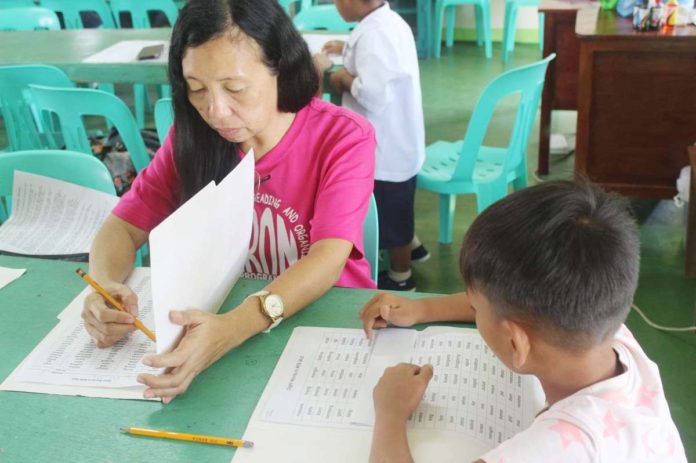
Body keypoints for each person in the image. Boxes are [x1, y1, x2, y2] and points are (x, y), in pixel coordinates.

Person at [81, 0, 376, 403]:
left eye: (235, 89)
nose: (216, 111)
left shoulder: (342, 137)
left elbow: (328, 256)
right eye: (197, 89)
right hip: (224, 328)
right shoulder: (192, 139)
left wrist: (231, 329)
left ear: (282, 69)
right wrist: (106, 288)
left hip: (328, 325)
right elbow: (123, 225)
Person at [360, 180, 687, 462]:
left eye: (475, 305)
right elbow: (505, 305)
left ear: (516, 343)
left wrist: (391, 412)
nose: (472, 307)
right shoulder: (607, 330)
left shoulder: (563, 445)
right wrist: (423, 310)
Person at [316, 0, 425, 291]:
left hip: (386, 152)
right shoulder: (387, 22)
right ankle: (415, 247)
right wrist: (346, 46)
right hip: (402, 143)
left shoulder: (375, 36)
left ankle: (402, 277)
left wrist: (341, 78)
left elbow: (373, 94)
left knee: (392, 216)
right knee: (399, 208)